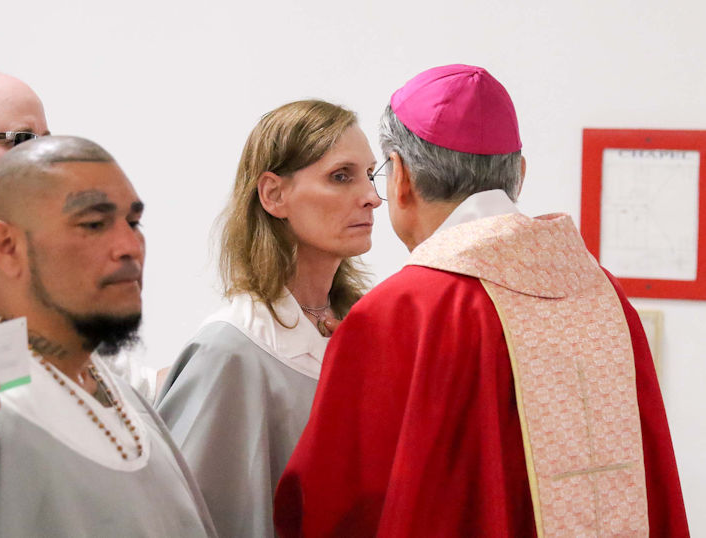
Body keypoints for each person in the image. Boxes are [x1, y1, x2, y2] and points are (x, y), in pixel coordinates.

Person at [274, 65, 690, 536]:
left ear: (401, 178)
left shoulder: (403, 313)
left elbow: (330, 503)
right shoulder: (604, 296)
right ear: (520, 175)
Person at [156, 99, 382, 537]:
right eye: (341, 176)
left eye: (371, 175)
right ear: (274, 195)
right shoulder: (231, 349)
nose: (372, 197)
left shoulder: (366, 332)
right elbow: (178, 520)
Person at [0, 136, 216, 536]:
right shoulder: (0, 398)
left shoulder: (118, 391)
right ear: (7, 246)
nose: (130, 247)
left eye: (134, 223)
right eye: (94, 224)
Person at [0, 69, 163, 402]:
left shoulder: (48, 252)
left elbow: (132, 386)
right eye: (22, 140)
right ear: (3, 246)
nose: (44, 158)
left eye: (47, 140)